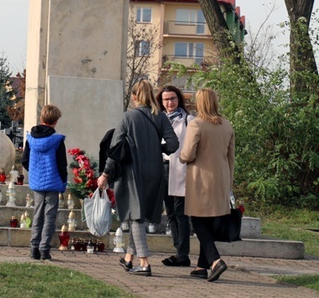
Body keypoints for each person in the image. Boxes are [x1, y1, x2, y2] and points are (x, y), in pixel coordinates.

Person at [97, 80, 179, 277]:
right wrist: (156, 147)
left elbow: (115, 151)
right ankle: (128, 259)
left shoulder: (127, 118)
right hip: (155, 172)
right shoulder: (160, 117)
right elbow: (173, 144)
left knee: (135, 217)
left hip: (133, 173)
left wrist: (105, 174)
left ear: (134, 96)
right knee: (139, 217)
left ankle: (144, 264)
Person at [179, 88, 235, 282]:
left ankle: (215, 260)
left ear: (199, 103)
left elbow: (187, 154)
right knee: (209, 222)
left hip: (200, 179)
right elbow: (231, 158)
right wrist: (229, 183)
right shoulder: (227, 125)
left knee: (197, 220)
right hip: (221, 179)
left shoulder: (197, 124)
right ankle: (201, 267)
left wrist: (180, 157)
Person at [21, 104, 67, 261]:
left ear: (41, 118)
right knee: (50, 216)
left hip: (37, 182)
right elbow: (62, 164)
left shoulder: (31, 138)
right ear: (55, 122)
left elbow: (25, 160)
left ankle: (34, 248)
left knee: (37, 214)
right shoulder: (57, 140)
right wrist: (63, 180)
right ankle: (44, 249)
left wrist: (34, 171)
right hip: (53, 181)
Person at [157, 85, 194, 267]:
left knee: (181, 213)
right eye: (166, 99)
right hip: (163, 169)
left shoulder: (188, 120)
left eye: (172, 98)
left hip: (181, 169)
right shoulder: (158, 120)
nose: (169, 102)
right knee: (170, 212)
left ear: (178, 99)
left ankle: (183, 253)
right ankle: (179, 251)